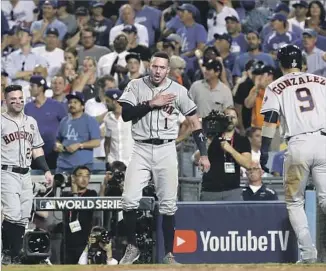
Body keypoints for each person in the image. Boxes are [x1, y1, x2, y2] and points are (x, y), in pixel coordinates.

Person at [117, 51, 210, 264]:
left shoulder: (178, 90)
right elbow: (126, 114)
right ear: (149, 66)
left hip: (166, 148)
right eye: (155, 66)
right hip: (140, 148)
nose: (158, 71)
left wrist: (204, 154)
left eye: (162, 67)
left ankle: (169, 254)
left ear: (168, 70)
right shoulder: (135, 85)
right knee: (129, 199)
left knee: (168, 204)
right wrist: (152, 103)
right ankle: (132, 247)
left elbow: (195, 123)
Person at [260, 44, 326, 263]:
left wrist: (264, 150)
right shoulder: (320, 81)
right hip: (323, 141)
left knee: (295, 202)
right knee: (325, 199)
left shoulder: (276, 86)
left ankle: (308, 255)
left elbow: (270, 119)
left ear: (281, 64)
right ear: (302, 62)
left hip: (298, 145)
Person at [1, 85, 53, 264]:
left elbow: (37, 149)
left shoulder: (31, 121)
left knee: (23, 216)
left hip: (26, 173)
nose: (17, 101)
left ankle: (9, 251)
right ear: (5, 100)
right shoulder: (1, 120)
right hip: (6, 172)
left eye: (20, 98)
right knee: (13, 214)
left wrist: (46, 170)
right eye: (13, 99)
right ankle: (12, 253)